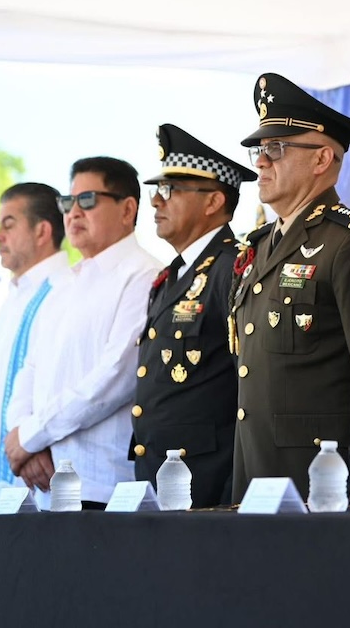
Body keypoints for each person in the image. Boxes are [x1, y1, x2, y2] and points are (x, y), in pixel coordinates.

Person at [229, 73, 350, 502]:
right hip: (253, 473)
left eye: (275, 149)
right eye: (260, 150)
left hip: (318, 481)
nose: (261, 162)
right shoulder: (256, 247)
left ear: (321, 160)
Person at [5, 158, 160, 508]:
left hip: (102, 486)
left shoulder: (143, 275)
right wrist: (26, 443)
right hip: (44, 482)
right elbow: (29, 370)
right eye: (67, 202)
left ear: (127, 209)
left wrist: (32, 436)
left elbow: (116, 377)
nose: (73, 212)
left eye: (87, 200)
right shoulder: (64, 284)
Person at [132, 123, 257, 507]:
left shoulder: (233, 266)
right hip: (160, 475)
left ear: (213, 201)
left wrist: (230, 487)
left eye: (169, 191)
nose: (156, 202)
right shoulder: (170, 276)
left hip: (207, 479)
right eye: (156, 191)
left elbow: (248, 381)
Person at [0, 182, 70, 500]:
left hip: (34, 486)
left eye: (9, 225)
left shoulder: (65, 290)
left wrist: (29, 444)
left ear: (42, 231)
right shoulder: (11, 296)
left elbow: (60, 383)